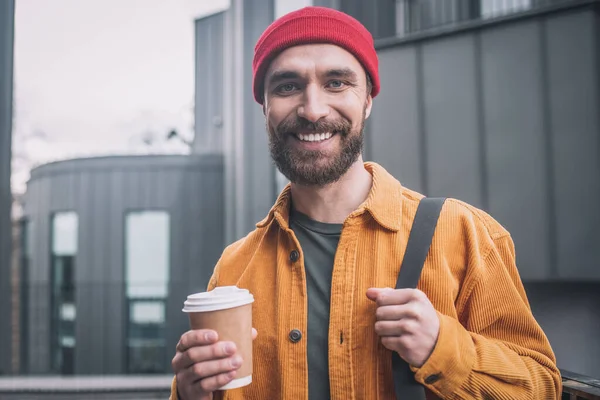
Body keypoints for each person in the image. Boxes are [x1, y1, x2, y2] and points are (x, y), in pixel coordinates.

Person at [170, 6, 561, 400]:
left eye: (336, 83)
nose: (313, 109)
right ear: (265, 108)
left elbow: (543, 387)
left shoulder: (465, 235)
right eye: (287, 86)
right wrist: (190, 393)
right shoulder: (234, 268)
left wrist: (443, 348)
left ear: (368, 100)